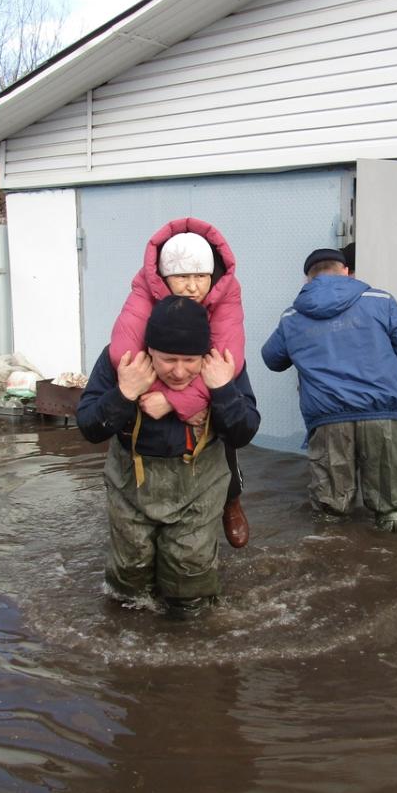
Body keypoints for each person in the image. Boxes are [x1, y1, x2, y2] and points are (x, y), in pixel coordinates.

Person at [78, 295, 261, 618]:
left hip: (199, 482)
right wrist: (124, 393)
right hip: (131, 482)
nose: (179, 371)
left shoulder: (222, 365)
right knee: (129, 582)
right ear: (149, 351)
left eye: (190, 361)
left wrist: (221, 391)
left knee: (189, 583)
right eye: (168, 360)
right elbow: (90, 427)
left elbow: (243, 433)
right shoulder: (120, 361)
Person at [261, 248, 397, 532]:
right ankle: (395, 564)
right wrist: (389, 378)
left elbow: (272, 359)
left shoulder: (292, 316)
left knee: (330, 511)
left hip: (328, 420)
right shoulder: (380, 301)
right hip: (382, 414)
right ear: (346, 271)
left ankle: (333, 560)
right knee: (391, 508)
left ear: (307, 280)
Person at [109, 217, 251, 549]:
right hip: (153, 381)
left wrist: (179, 401)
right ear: (163, 276)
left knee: (225, 428)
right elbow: (125, 353)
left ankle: (231, 501)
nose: (192, 287)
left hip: (203, 372)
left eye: (200, 276)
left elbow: (227, 359)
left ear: (211, 275)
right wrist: (158, 393)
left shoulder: (225, 292)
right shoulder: (144, 290)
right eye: (181, 277)